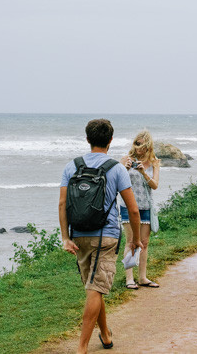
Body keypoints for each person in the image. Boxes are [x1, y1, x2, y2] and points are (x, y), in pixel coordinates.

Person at [59, 119, 142, 353]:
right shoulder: (116, 168)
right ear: (111, 140)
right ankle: (82, 348)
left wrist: (65, 237)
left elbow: (63, 203)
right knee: (95, 288)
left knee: (95, 285)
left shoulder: (71, 166)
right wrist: (135, 239)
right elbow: (133, 209)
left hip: (79, 237)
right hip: (106, 238)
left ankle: (105, 334)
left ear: (87, 139)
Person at [118, 130, 161, 289]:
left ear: (148, 146)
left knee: (144, 243)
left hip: (145, 207)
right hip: (128, 206)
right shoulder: (125, 160)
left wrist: (144, 173)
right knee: (130, 242)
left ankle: (142, 277)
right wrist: (124, 168)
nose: (138, 149)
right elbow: (116, 181)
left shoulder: (154, 162)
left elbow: (155, 185)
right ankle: (129, 278)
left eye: (141, 145)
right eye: (136, 144)